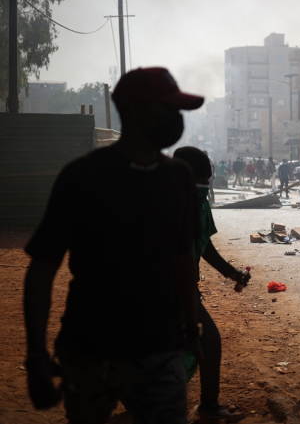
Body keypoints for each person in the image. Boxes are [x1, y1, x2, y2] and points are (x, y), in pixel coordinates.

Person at [23, 67, 203, 423]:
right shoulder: (82, 178)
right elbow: (42, 270)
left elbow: (183, 261)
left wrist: (190, 329)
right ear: (136, 111)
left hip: (161, 349)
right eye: (166, 109)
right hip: (90, 351)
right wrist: (35, 355)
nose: (175, 119)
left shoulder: (178, 178)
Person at [173, 147, 249, 423]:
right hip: (164, 288)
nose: (205, 186)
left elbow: (205, 247)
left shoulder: (200, 205)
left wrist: (233, 273)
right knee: (206, 340)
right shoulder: (166, 203)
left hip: (185, 286)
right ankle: (206, 403)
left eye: (208, 179)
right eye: (200, 180)